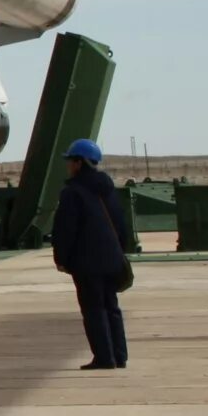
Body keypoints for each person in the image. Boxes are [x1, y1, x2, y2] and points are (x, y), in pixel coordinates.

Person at [51, 138, 133, 371]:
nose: (68, 165)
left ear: (79, 163)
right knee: (112, 307)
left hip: (87, 263)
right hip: (112, 259)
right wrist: (119, 251)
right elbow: (120, 223)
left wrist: (61, 259)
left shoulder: (72, 193)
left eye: (70, 160)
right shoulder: (107, 189)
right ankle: (119, 355)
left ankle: (104, 358)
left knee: (94, 310)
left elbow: (66, 229)